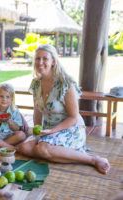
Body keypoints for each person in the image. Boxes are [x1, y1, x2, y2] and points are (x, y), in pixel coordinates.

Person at [16, 44, 110, 174]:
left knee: (42, 149)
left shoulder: (66, 84)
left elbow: (74, 117)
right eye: (37, 59)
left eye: (45, 59)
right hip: (48, 130)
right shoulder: (36, 83)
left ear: (53, 61)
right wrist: (38, 131)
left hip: (70, 128)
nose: (40, 62)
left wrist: (52, 131)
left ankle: (92, 159)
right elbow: (37, 110)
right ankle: (60, 153)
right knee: (24, 147)